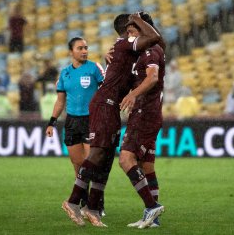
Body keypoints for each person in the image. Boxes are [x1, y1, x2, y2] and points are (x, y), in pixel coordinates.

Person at [62, 13, 162, 227]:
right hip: (103, 104)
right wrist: (138, 20)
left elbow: (155, 44)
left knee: (106, 158)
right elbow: (154, 37)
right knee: (97, 154)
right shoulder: (125, 44)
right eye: (135, 28)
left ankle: (93, 207)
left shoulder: (125, 51)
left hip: (112, 107)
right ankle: (73, 202)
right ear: (129, 30)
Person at [118, 15, 166, 229]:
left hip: (145, 113)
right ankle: (152, 219)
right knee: (146, 166)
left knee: (126, 159)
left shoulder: (150, 50)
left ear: (142, 30)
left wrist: (133, 94)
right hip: (150, 112)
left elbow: (153, 77)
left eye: (131, 31)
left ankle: (151, 206)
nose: (129, 36)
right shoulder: (150, 50)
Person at [46, 36, 104, 176]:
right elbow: (60, 101)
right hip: (72, 121)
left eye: (86, 48)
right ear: (71, 52)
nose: (84, 51)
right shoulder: (65, 73)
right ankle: (82, 196)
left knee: (90, 163)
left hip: (91, 120)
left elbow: (106, 91)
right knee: (77, 163)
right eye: (80, 48)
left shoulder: (94, 68)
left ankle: (94, 196)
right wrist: (51, 122)